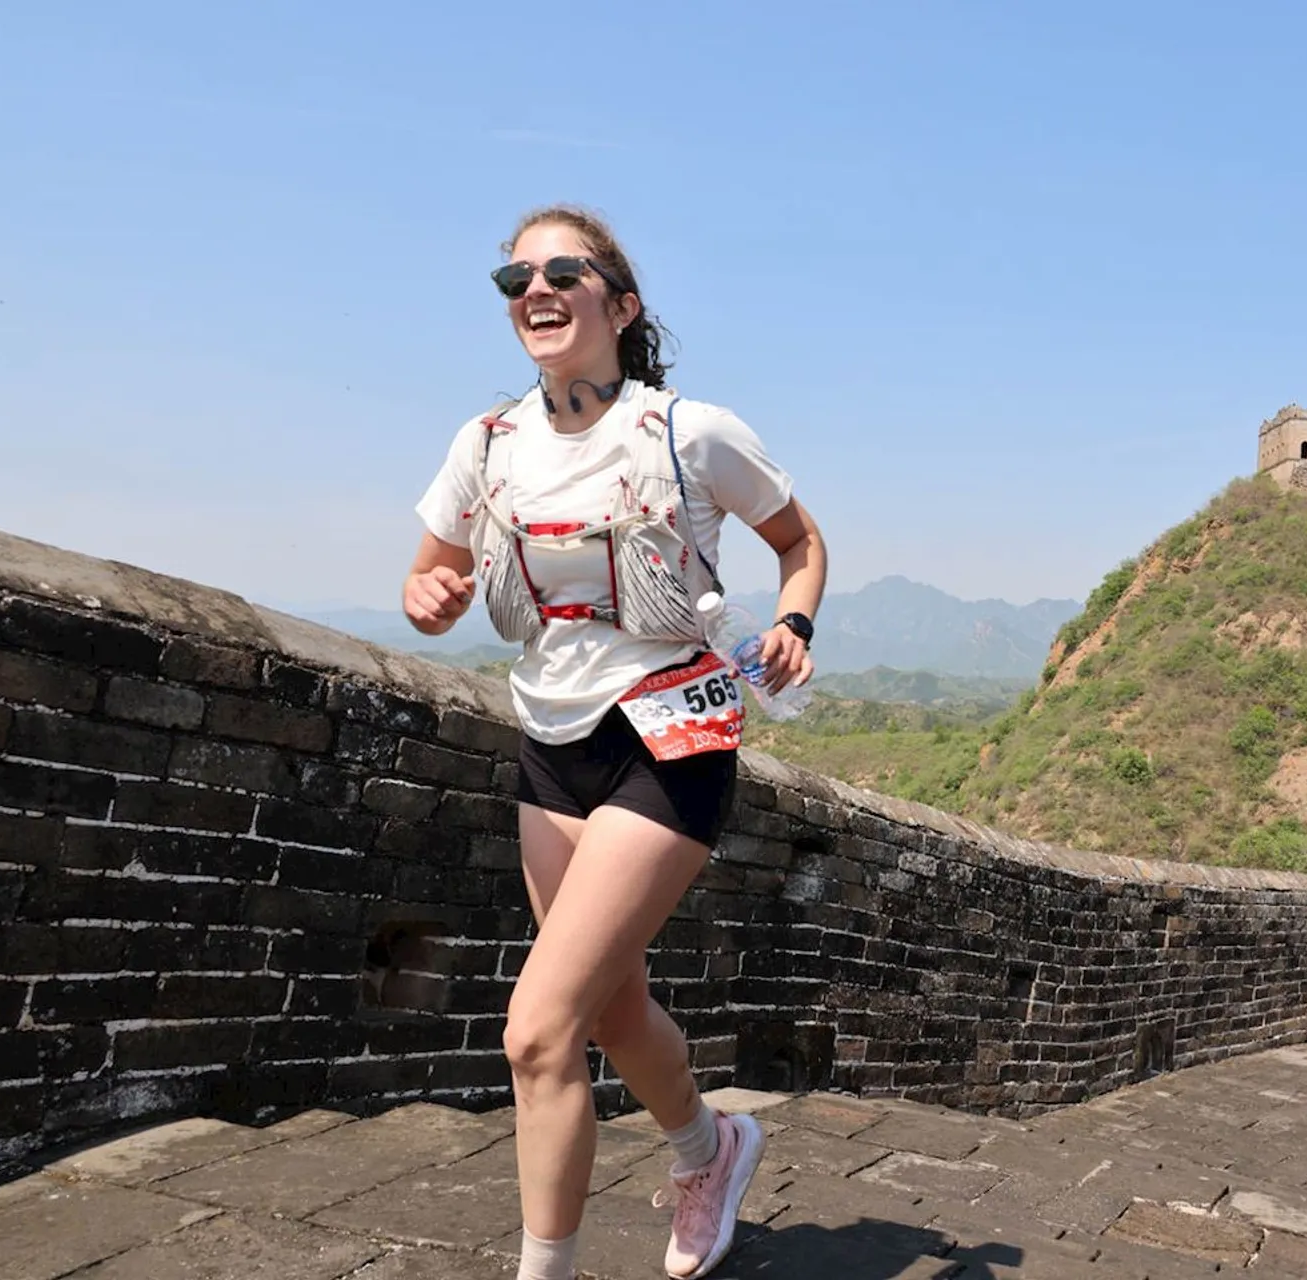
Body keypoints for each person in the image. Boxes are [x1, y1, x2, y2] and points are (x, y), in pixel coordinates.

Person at [401, 204, 827, 1280]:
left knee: (538, 1029)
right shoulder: (486, 442)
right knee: (611, 1001)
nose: (533, 289)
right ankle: (711, 1145)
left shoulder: (688, 431)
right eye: (514, 277)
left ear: (621, 304)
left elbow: (800, 540)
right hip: (552, 737)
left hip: (672, 732)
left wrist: (793, 620)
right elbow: (426, 570)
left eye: (563, 271)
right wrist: (430, 595)